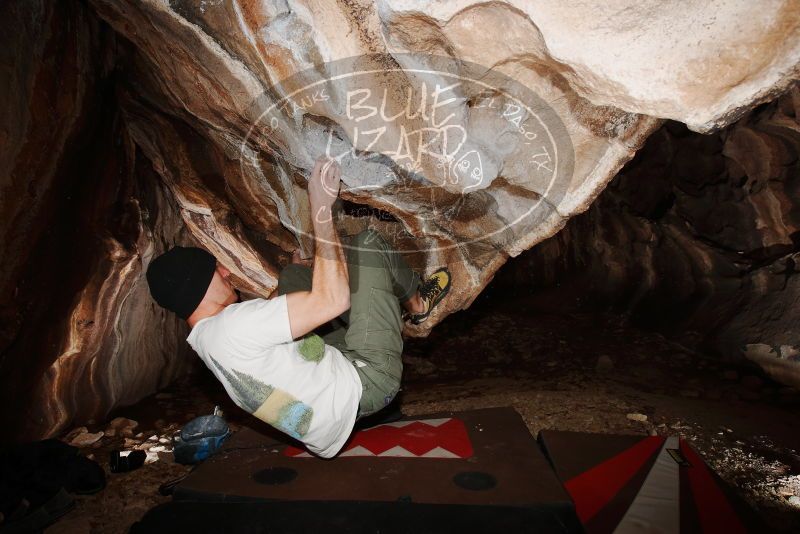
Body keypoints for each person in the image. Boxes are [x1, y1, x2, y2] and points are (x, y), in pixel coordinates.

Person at [145, 156, 451, 458]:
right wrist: (321, 209)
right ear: (197, 287)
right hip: (369, 381)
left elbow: (259, 323)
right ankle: (418, 303)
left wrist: (297, 275)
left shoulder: (208, 338)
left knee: (292, 276)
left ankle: (374, 309)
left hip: (327, 420)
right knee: (369, 243)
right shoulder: (235, 325)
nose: (225, 273)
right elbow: (333, 300)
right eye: (215, 271)